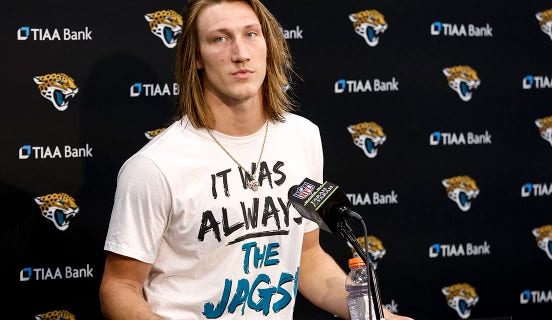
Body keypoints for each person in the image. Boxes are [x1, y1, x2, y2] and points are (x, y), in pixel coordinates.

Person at [99, 0, 414, 319]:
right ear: (196, 57)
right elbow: (119, 287)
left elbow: (309, 258)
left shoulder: (301, 136)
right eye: (219, 38)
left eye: (251, 34)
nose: (240, 53)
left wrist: (380, 316)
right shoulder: (155, 165)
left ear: (269, 45)